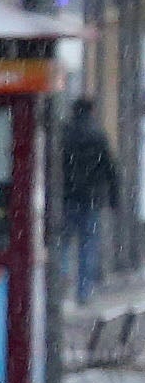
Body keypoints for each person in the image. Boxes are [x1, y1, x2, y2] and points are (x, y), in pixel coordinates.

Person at [61, 95, 120, 296]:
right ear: (91, 111)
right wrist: (114, 198)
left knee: (64, 243)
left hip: (67, 198)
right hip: (91, 199)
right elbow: (110, 169)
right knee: (88, 244)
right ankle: (83, 291)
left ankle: (59, 287)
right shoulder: (98, 135)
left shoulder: (64, 134)